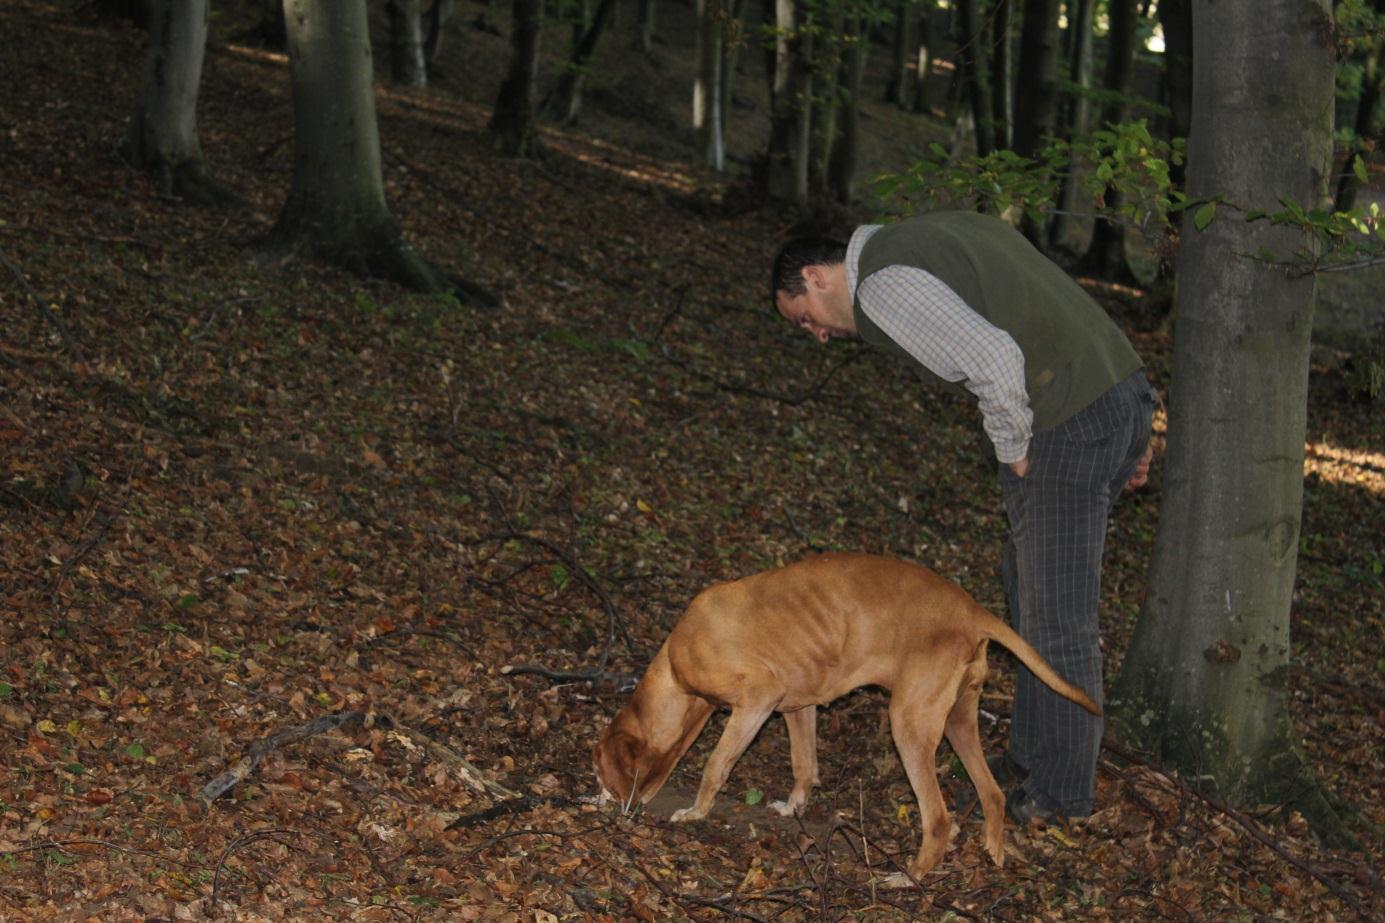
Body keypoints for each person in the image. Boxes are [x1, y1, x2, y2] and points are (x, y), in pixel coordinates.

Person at [770, 210, 1155, 824]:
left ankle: (1062, 796)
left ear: (816, 277)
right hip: (1113, 392)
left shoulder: (882, 282)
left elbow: (996, 357)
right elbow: (1053, 304)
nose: (816, 334)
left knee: (1056, 616)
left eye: (804, 319)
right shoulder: (930, 237)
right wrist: (1132, 429)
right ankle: (1031, 759)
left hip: (1066, 418)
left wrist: (1016, 450)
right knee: (1028, 596)